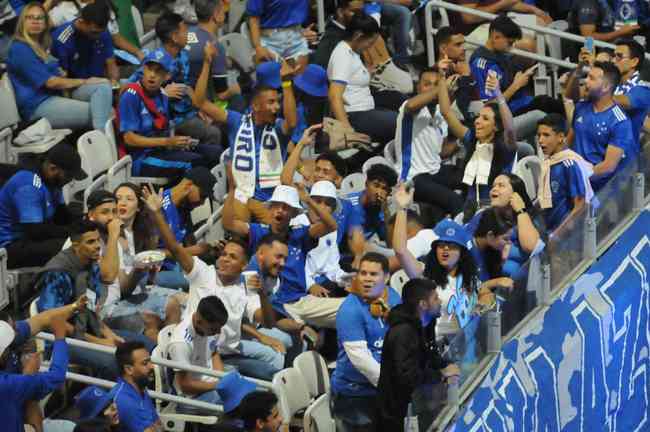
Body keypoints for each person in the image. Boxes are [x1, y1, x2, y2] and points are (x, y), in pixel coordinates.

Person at [145, 186, 287, 380]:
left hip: (232, 350)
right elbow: (175, 248)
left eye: (233, 257)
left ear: (244, 265)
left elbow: (268, 322)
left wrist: (262, 295)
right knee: (259, 376)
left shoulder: (248, 284)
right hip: (204, 350)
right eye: (224, 255)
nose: (225, 259)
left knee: (277, 357)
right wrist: (157, 213)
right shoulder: (203, 272)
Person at [36, 221, 154, 380]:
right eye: (91, 242)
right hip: (62, 340)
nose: (98, 245)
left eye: (98, 240)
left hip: (89, 330)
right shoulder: (57, 272)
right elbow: (52, 321)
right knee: (118, 363)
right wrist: (98, 341)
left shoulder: (92, 264)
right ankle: (109, 402)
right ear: (76, 245)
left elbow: (90, 308)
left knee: (146, 345)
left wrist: (109, 334)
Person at [224, 179, 341, 331]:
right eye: (276, 206)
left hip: (301, 301)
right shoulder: (258, 231)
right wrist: (232, 190)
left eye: (286, 208)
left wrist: (307, 201)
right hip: (271, 303)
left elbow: (331, 225)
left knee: (348, 309)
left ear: (293, 213)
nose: (280, 210)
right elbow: (228, 223)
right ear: (270, 209)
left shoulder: (300, 233)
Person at [193, 62, 298, 224]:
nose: (276, 107)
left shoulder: (278, 128)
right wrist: (207, 63)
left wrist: (287, 83)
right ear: (255, 106)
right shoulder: (236, 121)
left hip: (270, 202)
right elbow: (200, 102)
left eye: (278, 102)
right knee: (238, 223)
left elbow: (291, 123)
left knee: (275, 227)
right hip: (241, 196)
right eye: (271, 102)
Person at [127, 11, 224, 166]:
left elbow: (185, 85)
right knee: (213, 133)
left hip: (188, 112)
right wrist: (163, 93)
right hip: (172, 119)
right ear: (174, 37)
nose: (188, 34)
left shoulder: (182, 55)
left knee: (220, 122)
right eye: (185, 31)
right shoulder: (155, 61)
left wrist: (199, 107)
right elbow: (129, 88)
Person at [7, 2, 113, 130]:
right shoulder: (19, 48)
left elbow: (59, 74)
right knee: (102, 112)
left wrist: (61, 73)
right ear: (22, 22)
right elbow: (51, 82)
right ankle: (103, 143)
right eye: (30, 17)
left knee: (103, 86)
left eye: (40, 18)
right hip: (37, 104)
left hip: (57, 94)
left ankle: (102, 140)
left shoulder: (43, 44)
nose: (35, 21)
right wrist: (85, 81)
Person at [118, 47, 216, 179]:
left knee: (214, 153)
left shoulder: (162, 96)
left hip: (162, 150)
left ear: (167, 76)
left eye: (158, 71)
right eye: (149, 69)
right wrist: (167, 142)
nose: (152, 75)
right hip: (142, 158)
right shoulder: (131, 96)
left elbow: (164, 128)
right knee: (194, 163)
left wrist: (180, 142)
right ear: (143, 69)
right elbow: (129, 139)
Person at [377, 278, 460, 432]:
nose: (440, 301)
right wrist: (440, 374)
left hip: (420, 403)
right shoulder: (402, 332)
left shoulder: (427, 322)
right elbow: (407, 377)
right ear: (423, 304)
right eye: (435, 298)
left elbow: (430, 355)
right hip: (399, 417)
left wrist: (445, 365)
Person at [330, 252, 401, 432]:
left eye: (373, 274)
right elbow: (361, 359)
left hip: (381, 389)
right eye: (363, 273)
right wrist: (392, 386)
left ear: (386, 277)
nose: (367, 279)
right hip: (354, 395)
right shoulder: (350, 310)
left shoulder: (392, 297)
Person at [438, 63, 517, 205]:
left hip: (494, 208)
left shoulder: (505, 148)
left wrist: (498, 94)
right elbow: (446, 112)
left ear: (497, 127)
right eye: (478, 117)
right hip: (470, 206)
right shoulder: (471, 139)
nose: (477, 121)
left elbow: (510, 129)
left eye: (485, 119)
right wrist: (442, 78)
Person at [0, 142, 85, 268]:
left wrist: (86, 222)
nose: (70, 180)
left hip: (29, 236)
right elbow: (36, 232)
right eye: (68, 176)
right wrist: (72, 231)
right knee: (74, 248)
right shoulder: (29, 186)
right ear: (52, 168)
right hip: (10, 246)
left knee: (84, 238)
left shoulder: (52, 181)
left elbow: (61, 216)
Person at [395, 67, 463, 223]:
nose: (433, 88)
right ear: (418, 87)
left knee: (470, 178)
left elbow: (441, 152)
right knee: (454, 201)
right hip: (413, 178)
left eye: (436, 84)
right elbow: (411, 106)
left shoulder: (440, 113)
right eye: (427, 84)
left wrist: (459, 143)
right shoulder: (410, 108)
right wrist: (441, 88)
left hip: (435, 172)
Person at [327, 12, 398, 145]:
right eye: (370, 42)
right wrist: (348, 131)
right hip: (355, 114)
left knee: (401, 102)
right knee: (401, 121)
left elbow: (352, 78)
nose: (370, 47)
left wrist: (367, 73)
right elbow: (334, 96)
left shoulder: (353, 52)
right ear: (358, 36)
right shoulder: (343, 55)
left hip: (366, 108)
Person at [565, 61, 636, 191]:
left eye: (591, 78)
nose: (586, 81)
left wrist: (580, 177)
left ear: (605, 87)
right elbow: (570, 139)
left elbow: (608, 166)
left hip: (603, 192)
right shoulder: (581, 107)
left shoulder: (620, 121)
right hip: (577, 185)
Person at [0, 312, 70, 432]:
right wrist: (60, 337)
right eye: (6, 348)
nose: (9, 350)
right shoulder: (8, 385)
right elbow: (56, 376)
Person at [164, 295, 229, 409]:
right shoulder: (180, 344)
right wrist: (218, 385)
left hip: (209, 383)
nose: (218, 332)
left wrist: (221, 378)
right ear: (199, 321)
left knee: (244, 387)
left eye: (220, 328)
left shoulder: (206, 325)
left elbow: (214, 352)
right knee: (237, 399)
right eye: (213, 329)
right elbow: (185, 386)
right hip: (191, 398)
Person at [536, 114, 593, 235]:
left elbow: (581, 205)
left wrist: (557, 236)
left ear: (561, 137)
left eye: (546, 135)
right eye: (539, 135)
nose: (540, 140)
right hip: (550, 231)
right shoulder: (548, 164)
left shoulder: (569, 164)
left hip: (569, 237)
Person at [48, 0, 144, 61]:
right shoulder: (64, 8)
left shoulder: (105, 5)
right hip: (76, 58)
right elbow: (41, 25)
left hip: (103, 55)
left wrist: (137, 52)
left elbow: (116, 38)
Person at [50, 0, 119, 84]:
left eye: (101, 32)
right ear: (81, 22)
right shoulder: (62, 39)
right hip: (75, 84)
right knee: (102, 88)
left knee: (130, 86)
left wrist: (115, 84)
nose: (98, 36)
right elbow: (61, 78)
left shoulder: (102, 32)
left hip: (101, 80)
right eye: (94, 32)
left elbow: (111, 63)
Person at [247, 0, 311, 70]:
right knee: (270, 78)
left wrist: (303, 30)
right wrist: (258, 47)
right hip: (269, 41)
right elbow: (254, 18)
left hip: (297, 38)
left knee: (300, 78)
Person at [112, 341, 161, 432]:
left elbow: (158, 424)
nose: (152, 366)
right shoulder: (123, 401)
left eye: (150, 361)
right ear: (128, 369)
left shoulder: (140, 389)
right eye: (145, 363)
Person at [346, 163, 398, 246]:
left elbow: (390, 244)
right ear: (366, 184)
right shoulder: (348, 203)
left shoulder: (383, 212)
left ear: (388, 193)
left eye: (384, 189)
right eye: (376, 185)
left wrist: (386, 212)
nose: (379, 192)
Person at [613, 38, 650, 142]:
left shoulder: (643, 87)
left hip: (628, 151)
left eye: (619, 57)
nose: (613, 60)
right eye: (614, 56)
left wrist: (598, 92)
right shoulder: (614, 82)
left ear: (634, 61)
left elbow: (627, 101)